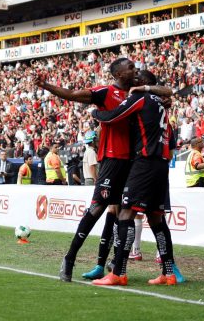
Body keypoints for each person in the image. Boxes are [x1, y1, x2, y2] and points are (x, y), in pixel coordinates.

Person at [36, 57, 171, 282]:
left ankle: (116, 266)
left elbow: (166, 94)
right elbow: (72, 95)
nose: (135, 70)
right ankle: (70, 258)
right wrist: (46, 85)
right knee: (97, 210)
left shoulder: (138, 95)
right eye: (130, 68)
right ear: (118, 74)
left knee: (121, 214)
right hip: (111, 160)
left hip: (133, 163)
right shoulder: (105, 92)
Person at [90, 70, 182, 286]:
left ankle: (118, 272)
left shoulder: (139, 97)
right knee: (156, 218)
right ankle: (168, 272)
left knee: (126, 213)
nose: (132, 80)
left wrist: (96, 114)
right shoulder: (160, 104)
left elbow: (112, 116)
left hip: (145, 162)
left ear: (141, 83)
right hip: (161, 163)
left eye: (136, 78)